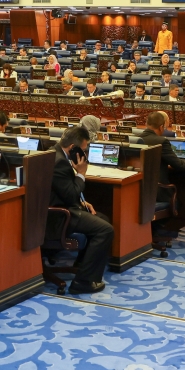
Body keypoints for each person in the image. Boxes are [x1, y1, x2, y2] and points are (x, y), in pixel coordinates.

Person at [48, 126, 113, 294]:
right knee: (105, 230)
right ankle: (82, 282)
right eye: (83, 150)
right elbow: (69, 194)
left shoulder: (54, 152)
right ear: (73, 148)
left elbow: (64, 190)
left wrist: (83, 202)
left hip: (61, 208)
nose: (85, 155)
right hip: (59, 216)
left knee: (103, 219)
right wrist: (81, 174)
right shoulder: (59, 162)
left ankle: (83, 266)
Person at [138, 111, 185, 184]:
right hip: (159, 187)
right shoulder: (162, 141)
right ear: (161, 127)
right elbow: (179, 165)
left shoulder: (137, 139)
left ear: (146, 124)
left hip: (140, 184)